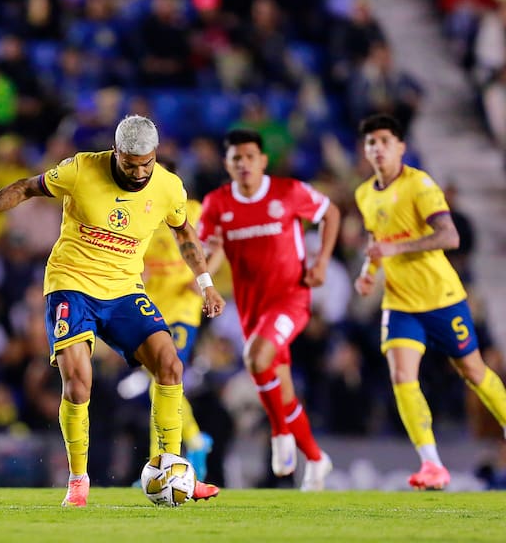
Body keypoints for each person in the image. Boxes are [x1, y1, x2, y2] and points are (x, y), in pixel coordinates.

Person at [0, 115, 225, 506]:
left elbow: (184, 232)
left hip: (124, 289)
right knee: (79, 383)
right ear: (116, 153)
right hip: (71, 286)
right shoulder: (80, 169)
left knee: (170, 364)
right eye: (131, 164)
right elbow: (26, 187)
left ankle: (173, 467)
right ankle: (78, 480)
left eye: (147, 163)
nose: (140, 172)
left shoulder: (168, 186)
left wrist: (206, 283)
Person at [353, 113, 506, 490]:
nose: (378, 148)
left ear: (401, 147)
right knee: (402, 376)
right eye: (371, 142)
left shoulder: (419, 185)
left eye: (385, 140)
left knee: (472, 372)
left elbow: (449, 236)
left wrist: (396, 248)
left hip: (441, 298)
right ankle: (432, 464)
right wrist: (369, 271)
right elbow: (377, 242)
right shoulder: (363, 194)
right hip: (400, 303)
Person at [198, 128, 340, 491]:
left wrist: (321, 262)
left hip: (291, 298)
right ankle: (317, 458)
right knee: (283, 389)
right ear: (227, 164)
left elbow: (331, 213)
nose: (243, 163)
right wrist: (202, 281)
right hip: (251, 308)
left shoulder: (288, 192)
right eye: (235, 158)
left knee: (256, 357)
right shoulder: (216, 203)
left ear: (262, 160)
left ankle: (281, 434)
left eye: (249, 156)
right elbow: (210, 253)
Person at [140, 163, 213, 481]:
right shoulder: (143, 218)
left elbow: (216, 246)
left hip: (183, 309)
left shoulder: (194, 211)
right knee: (156, 384)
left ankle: (160, 465)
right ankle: (194, 438)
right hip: (151, 310)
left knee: (163, 381)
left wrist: (203, 277)